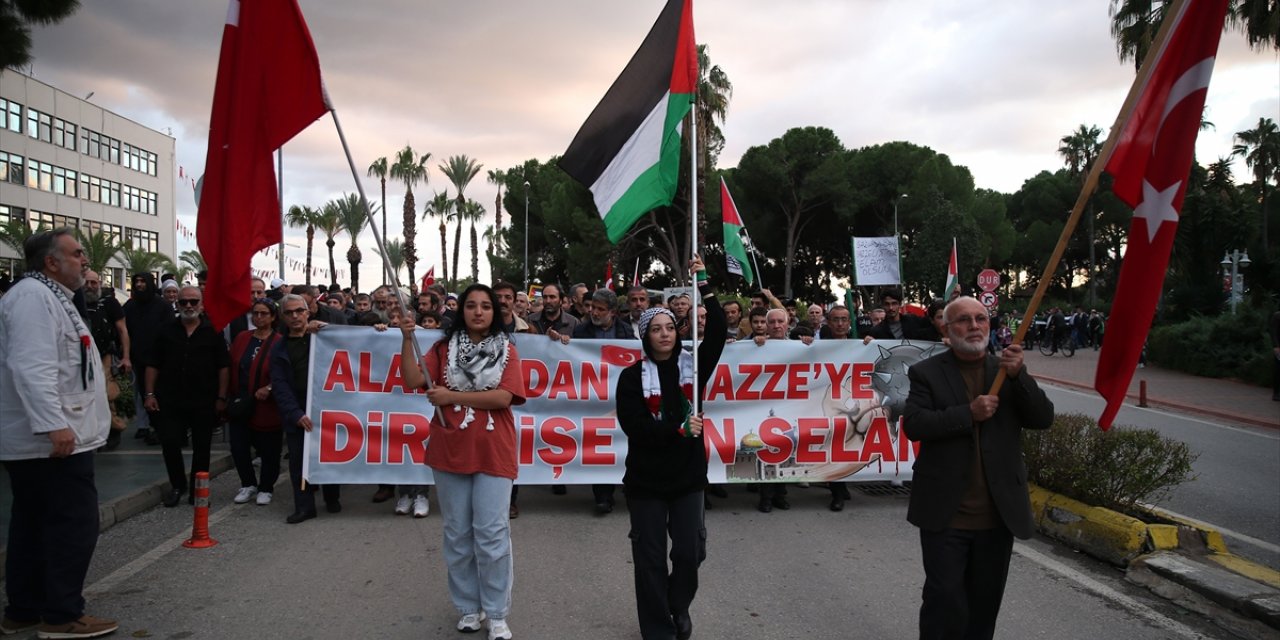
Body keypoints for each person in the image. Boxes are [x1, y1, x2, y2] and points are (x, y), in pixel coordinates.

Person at [903, 296, 1054, 640]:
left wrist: (1020, 376)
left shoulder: (1005, 371)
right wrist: (967, 413)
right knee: (944, 600)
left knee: (984, 604)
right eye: (964, 320)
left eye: (980, 319)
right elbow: (915, 424)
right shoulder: (926, 372)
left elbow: (1043, 418)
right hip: (946, 514)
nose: (974, 326)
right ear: (946, 327)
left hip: (997, 515)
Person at [0, 229, 119, 639]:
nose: (85, 260)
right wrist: (54, 425)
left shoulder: (50, 296)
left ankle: (24, 609)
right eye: (77, 253)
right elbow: (31, 368)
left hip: (52, 440)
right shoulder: (32, 298)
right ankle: (62, 615)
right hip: (51, 442)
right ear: (51, 262)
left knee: (33, 524)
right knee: (73, 524)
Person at [398, 284, 525, 640]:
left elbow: (502, 397)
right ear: (461, 311)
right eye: (471, 305)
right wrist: (407, 339)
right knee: (457, 533)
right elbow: (412, 378)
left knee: (492, 533)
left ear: (495, 313)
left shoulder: (507, 351)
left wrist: (450, 395)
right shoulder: (441, 349)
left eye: (486, 306)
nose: (479, 312)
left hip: (493, 450)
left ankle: (497, 613)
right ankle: (469, 608)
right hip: (449, 449)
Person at [616, 256, 725, 640]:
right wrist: (676, 430)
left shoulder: (693, 368)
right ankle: (659, 629)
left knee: (688, 555)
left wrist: (704, 284)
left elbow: (719, 332)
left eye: (670, 328)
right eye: (656, 329)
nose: (665, 334)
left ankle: (677, 606)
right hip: (646, 481)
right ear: (646, 336)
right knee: (649, 562)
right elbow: (634, 426)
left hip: (687, 479)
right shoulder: (631, 378)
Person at [144, 286, 230, 508]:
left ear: (201, 304)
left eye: (193, 301)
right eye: (184, 302)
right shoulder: (165, 331)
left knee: (202, 447)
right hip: (170, 399)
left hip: (204, 400)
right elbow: (153, 364)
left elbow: (223, 367)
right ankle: (177, 485)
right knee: (170, 443)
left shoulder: (214, 331)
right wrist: (150, 394)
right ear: (177, 304)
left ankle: (197, 490)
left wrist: (221, 397)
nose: (189, 306)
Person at [271, 294, 342, 523]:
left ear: (308, 312)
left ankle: (332, 498)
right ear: (283, 317)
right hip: (298, 411)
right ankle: (304, 506)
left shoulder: (323, 336)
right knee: (299, 463)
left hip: (328, 408)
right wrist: (295, 414)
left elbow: (351, 343)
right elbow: (280, 386)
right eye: (289, 313)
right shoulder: (279, 348)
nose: (295, 316)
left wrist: (327, 329)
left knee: (330, 456)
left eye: (299, 311)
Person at [227, 298, 284, 506]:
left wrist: (269, 387)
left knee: (269, 448)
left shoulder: (279, 341)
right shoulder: (242, 338)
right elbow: (232, 364)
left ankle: (266, 487)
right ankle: (248, 483)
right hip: (241, 400)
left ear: (273, 317)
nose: (259, 317)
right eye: (256, 313)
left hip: (267, 404)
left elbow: (284, 372)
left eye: (264, 313)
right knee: (239, 446)